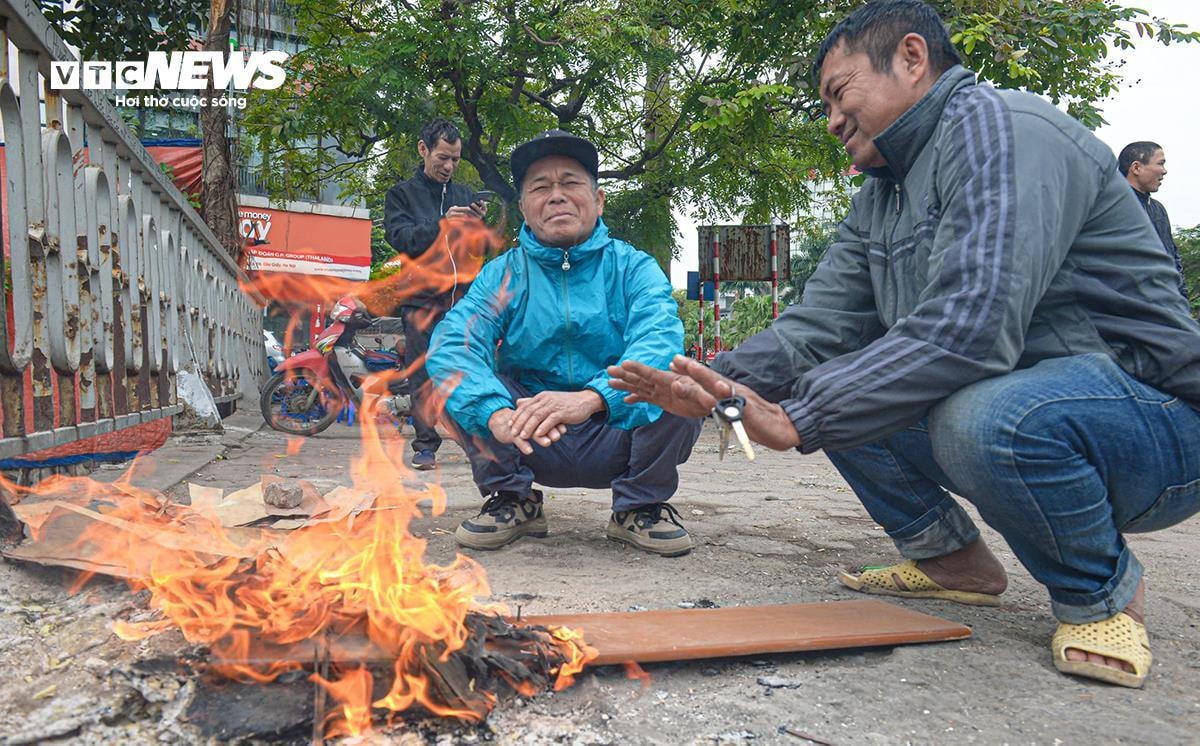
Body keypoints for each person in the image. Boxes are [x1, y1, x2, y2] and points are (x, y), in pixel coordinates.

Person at [610, 0, 1200, 688]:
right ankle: (951, 560)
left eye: (839, 93)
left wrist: (798, 418)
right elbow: (816, 329)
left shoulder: (1006, 131)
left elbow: (970, 327)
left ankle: (1100, 589)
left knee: (974, 414)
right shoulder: (880, 195)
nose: (831, 119)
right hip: (1030, 407)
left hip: (1154, 426)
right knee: (839, 382)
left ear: (913, 58)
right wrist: (712, 383)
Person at [426, 130, 703, 557]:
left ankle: (640, 504)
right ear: (523, 208)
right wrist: (492, 412)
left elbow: (659, 342)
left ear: (599, 200)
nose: (556, 196)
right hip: (528, 430)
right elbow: (454, 345)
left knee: (683, 383)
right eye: (540, 187)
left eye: (571, 183)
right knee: (448, 379)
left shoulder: (635, 269)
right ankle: (512, 497)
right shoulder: (503, 274)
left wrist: (594, 397)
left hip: (617, 428)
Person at [384, 118, 487, 471]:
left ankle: (477, 439)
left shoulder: (462, 195)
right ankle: (425, 445)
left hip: (462, 301)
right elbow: (403, 240)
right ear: (423, 149)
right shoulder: (401, 195)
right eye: (443, 157)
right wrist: (442, 223)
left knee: (468, 370)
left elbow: (477, 248)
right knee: (423, 374)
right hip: (420, 300)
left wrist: (476, 224)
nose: (449, 167)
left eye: (456, 160)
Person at [1119, 141, 1188, 298]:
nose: (1164, 171)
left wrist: (1181, 300)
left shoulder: (1158, 210)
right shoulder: (1110, 205)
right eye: (1160, 164)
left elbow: (1173, 258)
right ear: (1136, 168)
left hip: (1165, 307)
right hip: (1127, 309)